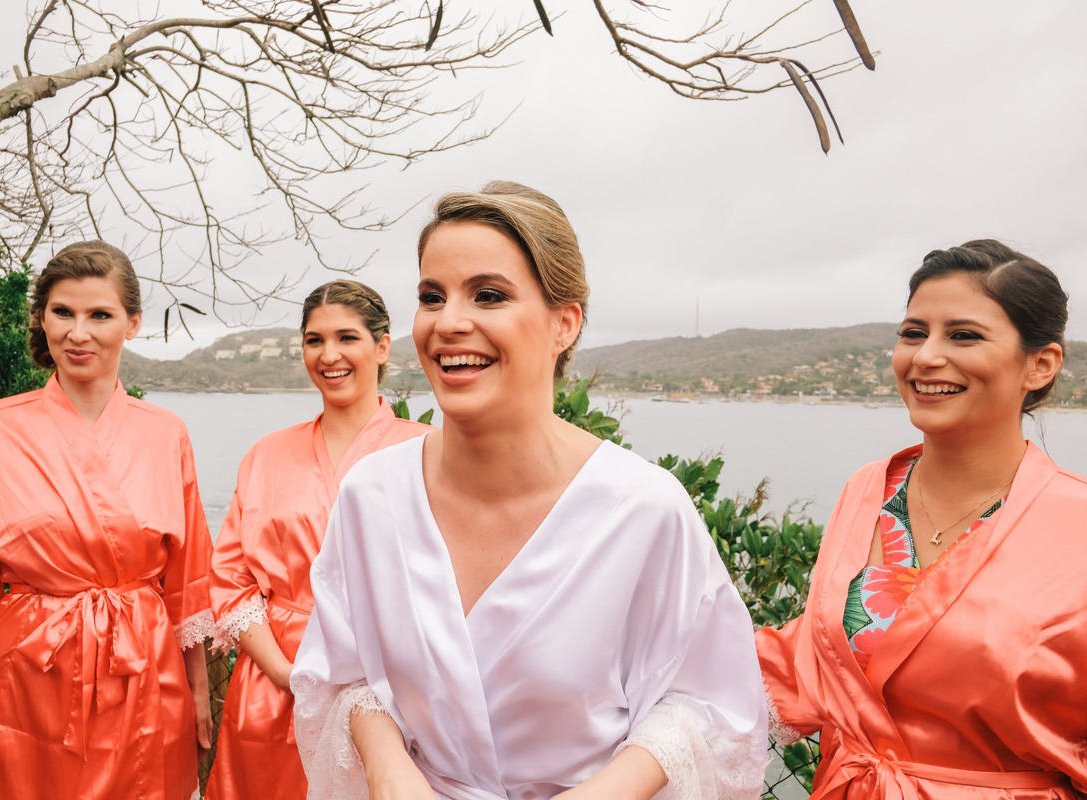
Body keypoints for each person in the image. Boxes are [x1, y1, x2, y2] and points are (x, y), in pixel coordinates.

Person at [291, 181, 767, 800]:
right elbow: (338, 674)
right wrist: (388, 764)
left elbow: (708, 704)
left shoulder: (645, 510)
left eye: (488, 295)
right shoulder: (371, 498)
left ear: (563, 324)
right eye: (432, 296)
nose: (449, 323)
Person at [758, 240, 1087, 798]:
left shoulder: (1075, 525)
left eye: (964, 335)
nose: (926, 356)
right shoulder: (868, 490)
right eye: (913, 333)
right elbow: (822, 655)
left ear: (1040, 364)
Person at [0, 242, 213, 799]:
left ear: (132, 323)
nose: (79, 333)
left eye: (100, 314)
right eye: (63, 313)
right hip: (29, 672)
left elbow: (189, 580)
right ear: (42, 319)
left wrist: (198, 690)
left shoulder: (166, 432)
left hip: (144, 672)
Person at [207, 280, 430, 799]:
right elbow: (231, 580)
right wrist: (285, 674)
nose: (329, 356)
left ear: (381, 346)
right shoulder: (266, 454)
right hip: (273, 685)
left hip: (391, 692)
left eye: (346, 338)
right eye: (314, 340)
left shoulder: (427, 453)